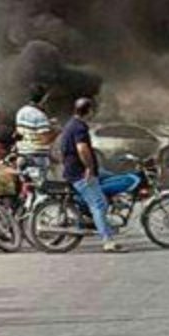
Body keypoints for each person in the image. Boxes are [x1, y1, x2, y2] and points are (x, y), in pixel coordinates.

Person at [60, 97, 125, 253]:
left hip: (75, 170)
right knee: (99, 204)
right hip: (80, 173)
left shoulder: (71, 124)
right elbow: (82, 149)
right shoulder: (79, 128)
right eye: (92, 109)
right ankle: (107, 241)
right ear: (88, 111)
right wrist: (89, 167)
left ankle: (113, 205)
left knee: (111, 177)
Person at [16, 84, 57, 179]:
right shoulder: (40, 115)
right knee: (40, 189)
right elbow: (44, 140)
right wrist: (57, 131)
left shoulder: (21, 112)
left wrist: (48, 123)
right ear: (44, 97)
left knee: (29, 187)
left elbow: (24, 132)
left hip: (23, 155)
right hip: (36, 159)